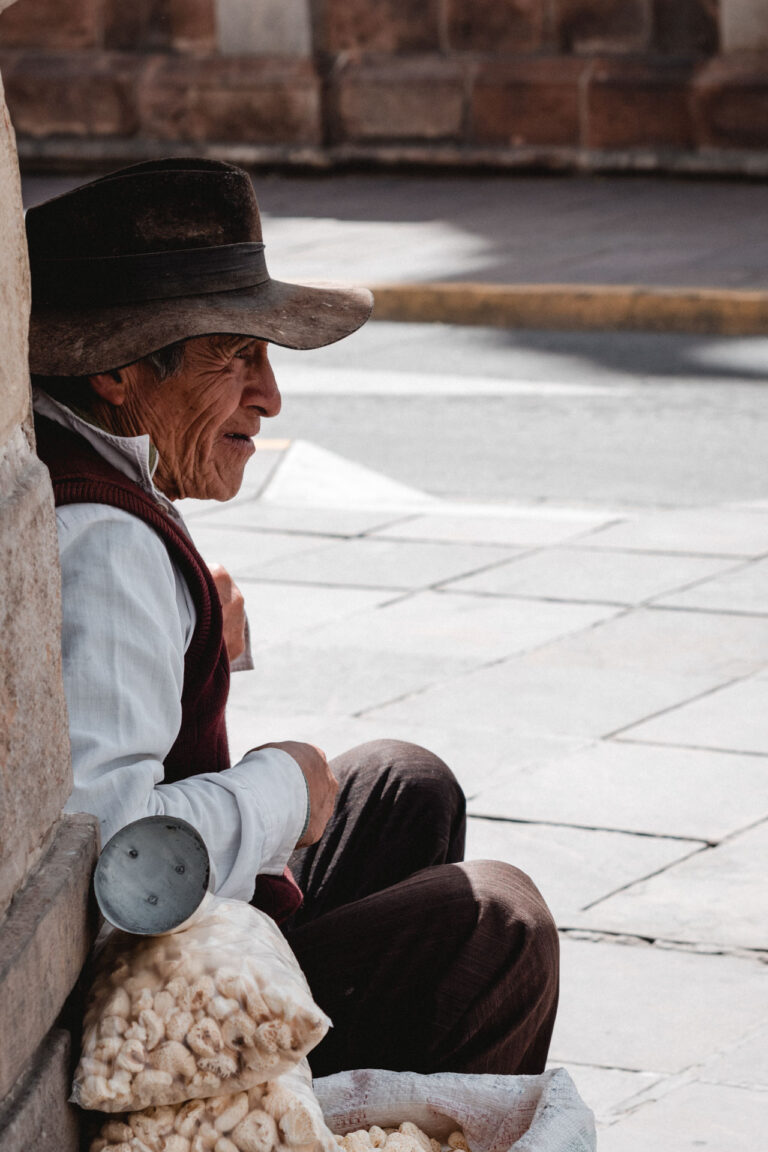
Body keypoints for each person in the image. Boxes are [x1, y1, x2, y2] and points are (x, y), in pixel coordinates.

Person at [27, 159, 559, 1078]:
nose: (269, 396)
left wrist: (195, 633)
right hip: (138, 1011)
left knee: (402, 782)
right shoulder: (105, 545)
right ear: (117, 372)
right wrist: (281, 786)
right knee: (498, 923)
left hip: (183, 946)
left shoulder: (82, 462)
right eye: (235, 358)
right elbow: (116, 869)